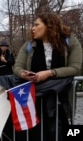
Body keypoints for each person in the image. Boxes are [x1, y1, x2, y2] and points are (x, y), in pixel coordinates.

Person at [10, 13, 82, 141]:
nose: (33, 28)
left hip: (60, 99)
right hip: (34, 100)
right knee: (36, 134)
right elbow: (17, 67)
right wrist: (23, 74)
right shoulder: (29, 44)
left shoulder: (70, 41)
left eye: (37, 25)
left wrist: (50, 73)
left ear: (49, 25)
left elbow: (75, 67)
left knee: (59, 132)